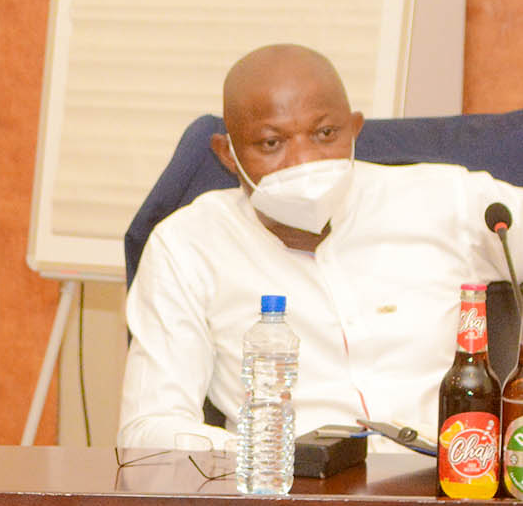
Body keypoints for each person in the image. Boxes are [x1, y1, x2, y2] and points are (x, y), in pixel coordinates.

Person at [119, 43, 523, 450]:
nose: (304, 161)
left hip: (450, 476)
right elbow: (148, 429)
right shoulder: (188, 244)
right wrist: (267, 458)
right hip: (290, 484)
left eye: (325, 134)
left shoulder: (446, 199)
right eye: (271, 143)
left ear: (355, 129)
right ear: (228, 154)